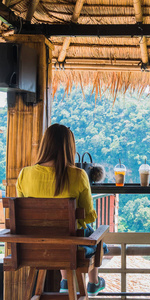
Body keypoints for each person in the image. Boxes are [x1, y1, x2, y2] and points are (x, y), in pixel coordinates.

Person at [16, 123, 106, 296]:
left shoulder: (24, 174)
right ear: (69, 147)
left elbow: (22, 213)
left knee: (65, 233)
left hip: (34, 249)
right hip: (70, 250)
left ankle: (65, 282)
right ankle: (92, 282)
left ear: (45, 145)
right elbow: (88, 216)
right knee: (88, 232)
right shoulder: (78, 175)